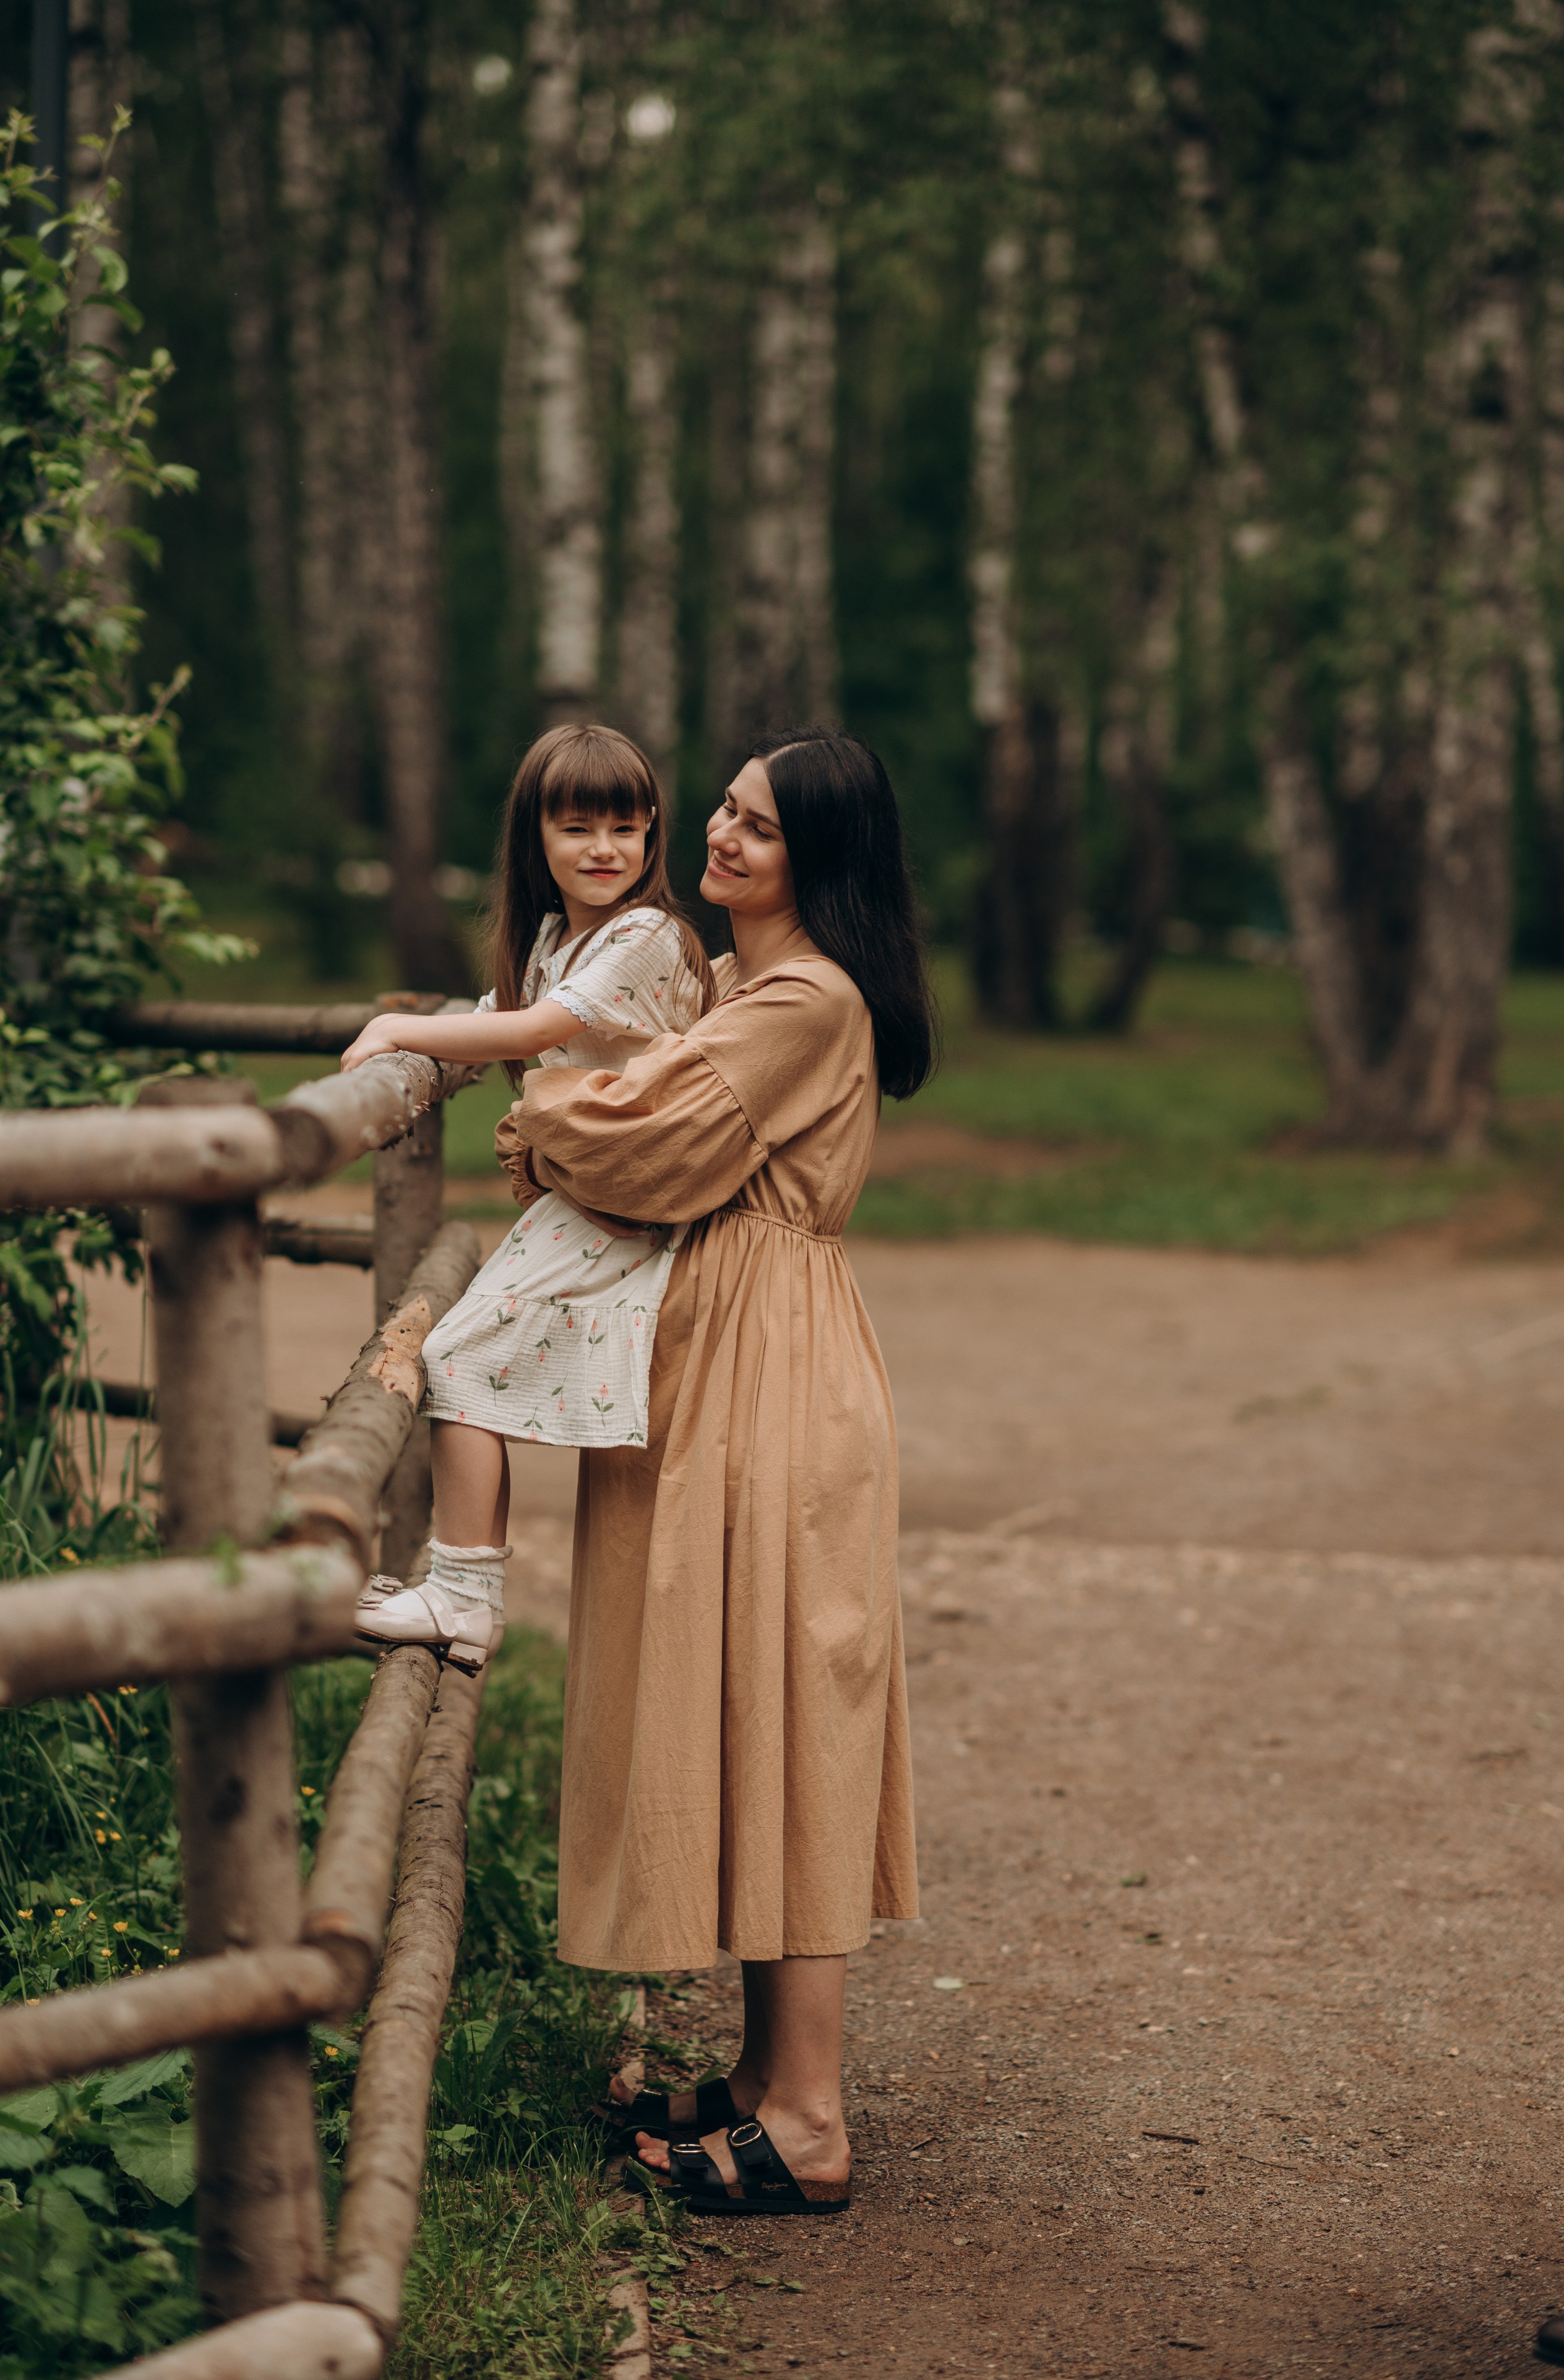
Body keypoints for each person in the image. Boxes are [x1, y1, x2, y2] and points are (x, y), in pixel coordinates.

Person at [496, 725, 937, 2217]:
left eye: (759, 824)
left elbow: (646, 1135)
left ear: (819, 856)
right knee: (747, 1700)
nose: (723, 834)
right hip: (731, 1367)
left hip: (779, 1380)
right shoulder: (748, 983)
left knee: (791, 1706)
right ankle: (760, 2076)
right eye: (728, 810)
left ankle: (807, 2115)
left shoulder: (802, 999)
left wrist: (544, 1115)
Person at [338, 722, 715, 1672]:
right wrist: (420, 1052)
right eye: (579, 828)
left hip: (634, 1197)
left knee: (458, 1358)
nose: (604, 851)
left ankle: (464, 1598)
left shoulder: (645, 936)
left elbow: (537, 1028)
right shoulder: (558, 932)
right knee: (468, 1360)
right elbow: (495, 1023)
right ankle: (464, 1589)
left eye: (626, 830)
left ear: (653, 836)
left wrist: (391, 1022)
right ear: (535, 838)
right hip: (585, 1194)